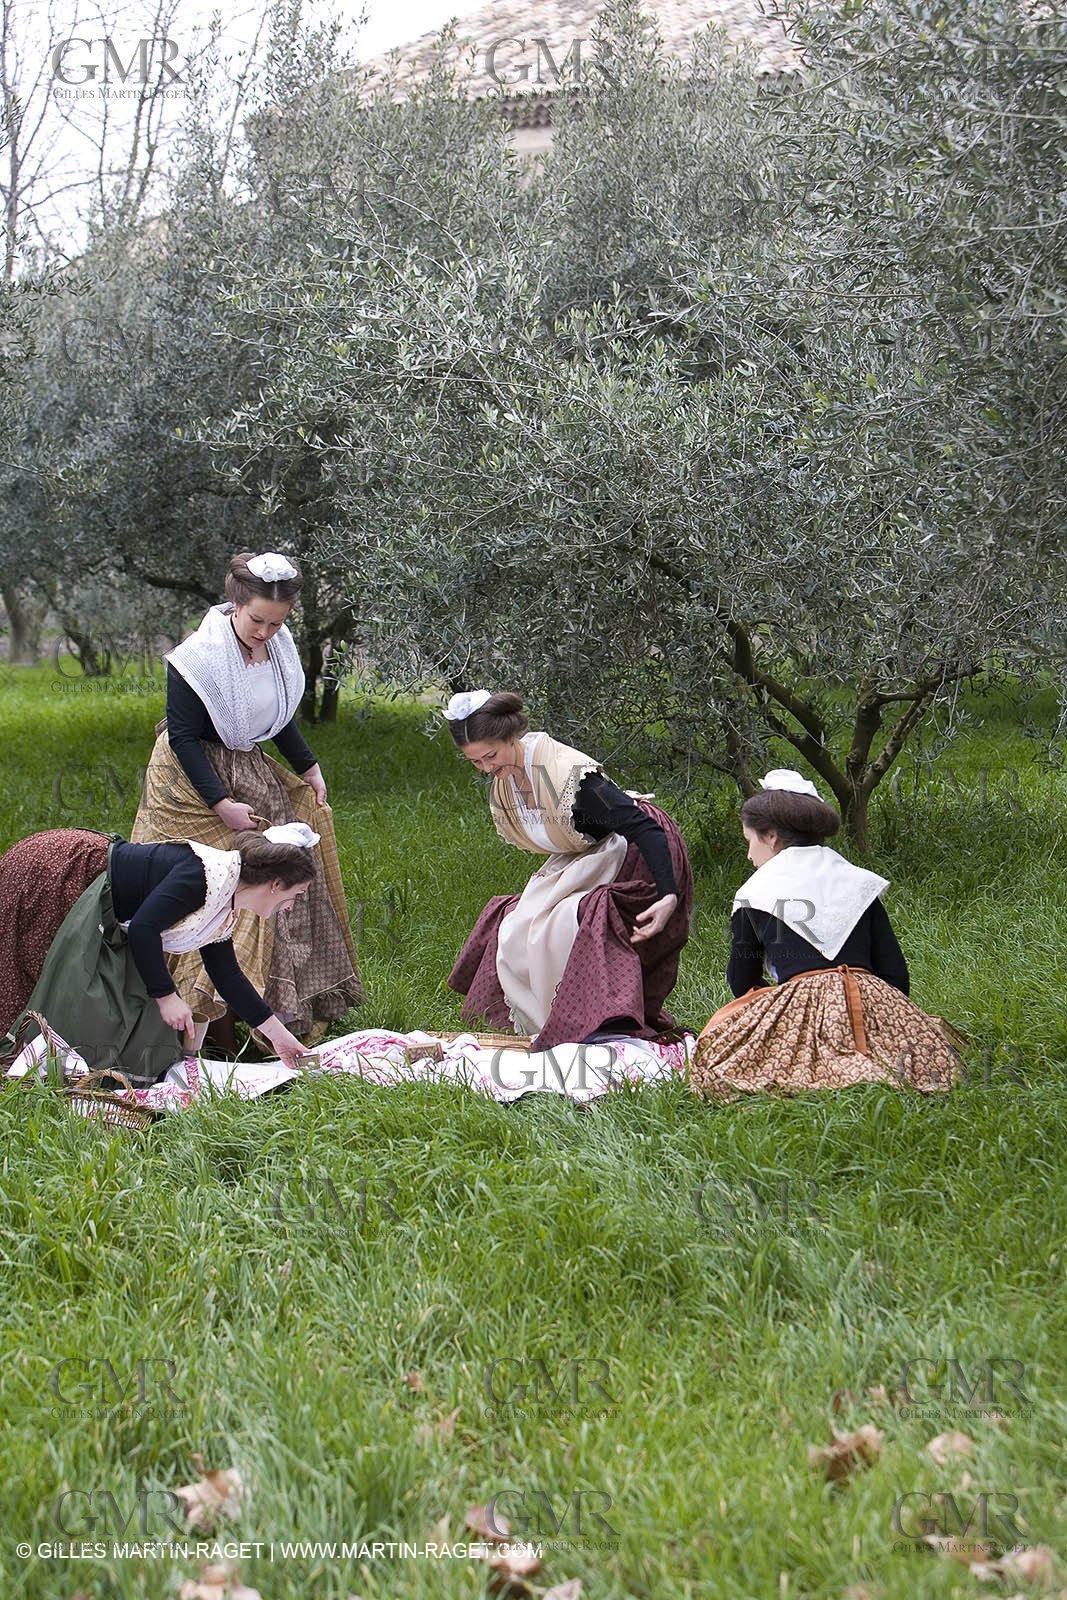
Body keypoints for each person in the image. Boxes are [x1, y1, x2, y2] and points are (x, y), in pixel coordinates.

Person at [131, 550, 363, 1042]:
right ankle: (190, 1022)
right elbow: (182, 737)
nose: (265, 632)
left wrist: (309, 767)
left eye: (276, 623)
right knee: (210, 884)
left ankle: (268, 1016)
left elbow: (278, 717)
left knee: (271, 877)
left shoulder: (278, 650)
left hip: (248, 769)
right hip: (189, 782)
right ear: (235, 603)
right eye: (257, 620)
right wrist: (220, 804)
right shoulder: (197, 658)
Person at [690, 770, 962, 1100]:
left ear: (771, 836)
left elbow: (741, 980)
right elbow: (895, 974)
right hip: (872, 998)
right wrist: (887, 1018)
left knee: (718, 1061)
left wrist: (778, 1012)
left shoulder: (755, 891)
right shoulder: (859, 881)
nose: (749, 855)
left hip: (800, 1005)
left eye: (750, 841)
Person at [445, 690, 693, 1051]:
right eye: (475, 761)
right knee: (519, 922)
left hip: (634, 849)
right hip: (589, 852)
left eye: (491, 756)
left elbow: (644, 828)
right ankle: (547, 1021)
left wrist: (669, 895)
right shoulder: (508, 782)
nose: (486, 768)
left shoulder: (571, 778)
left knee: (572, 919)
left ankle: (590, 1023)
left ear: (512, 736)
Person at [0, 824, 322, 1084]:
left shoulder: (224, 896)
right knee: (43, 973)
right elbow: (144, 928)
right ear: (275, 884)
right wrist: (166, 997)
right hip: (58, 874)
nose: (291, 905)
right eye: (296, 894)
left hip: (92, 895)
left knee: (126, 1008)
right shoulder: (203, 877)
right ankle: (26, 1066)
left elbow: (227, 976)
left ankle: (68, 1071)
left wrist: (279, 1038)